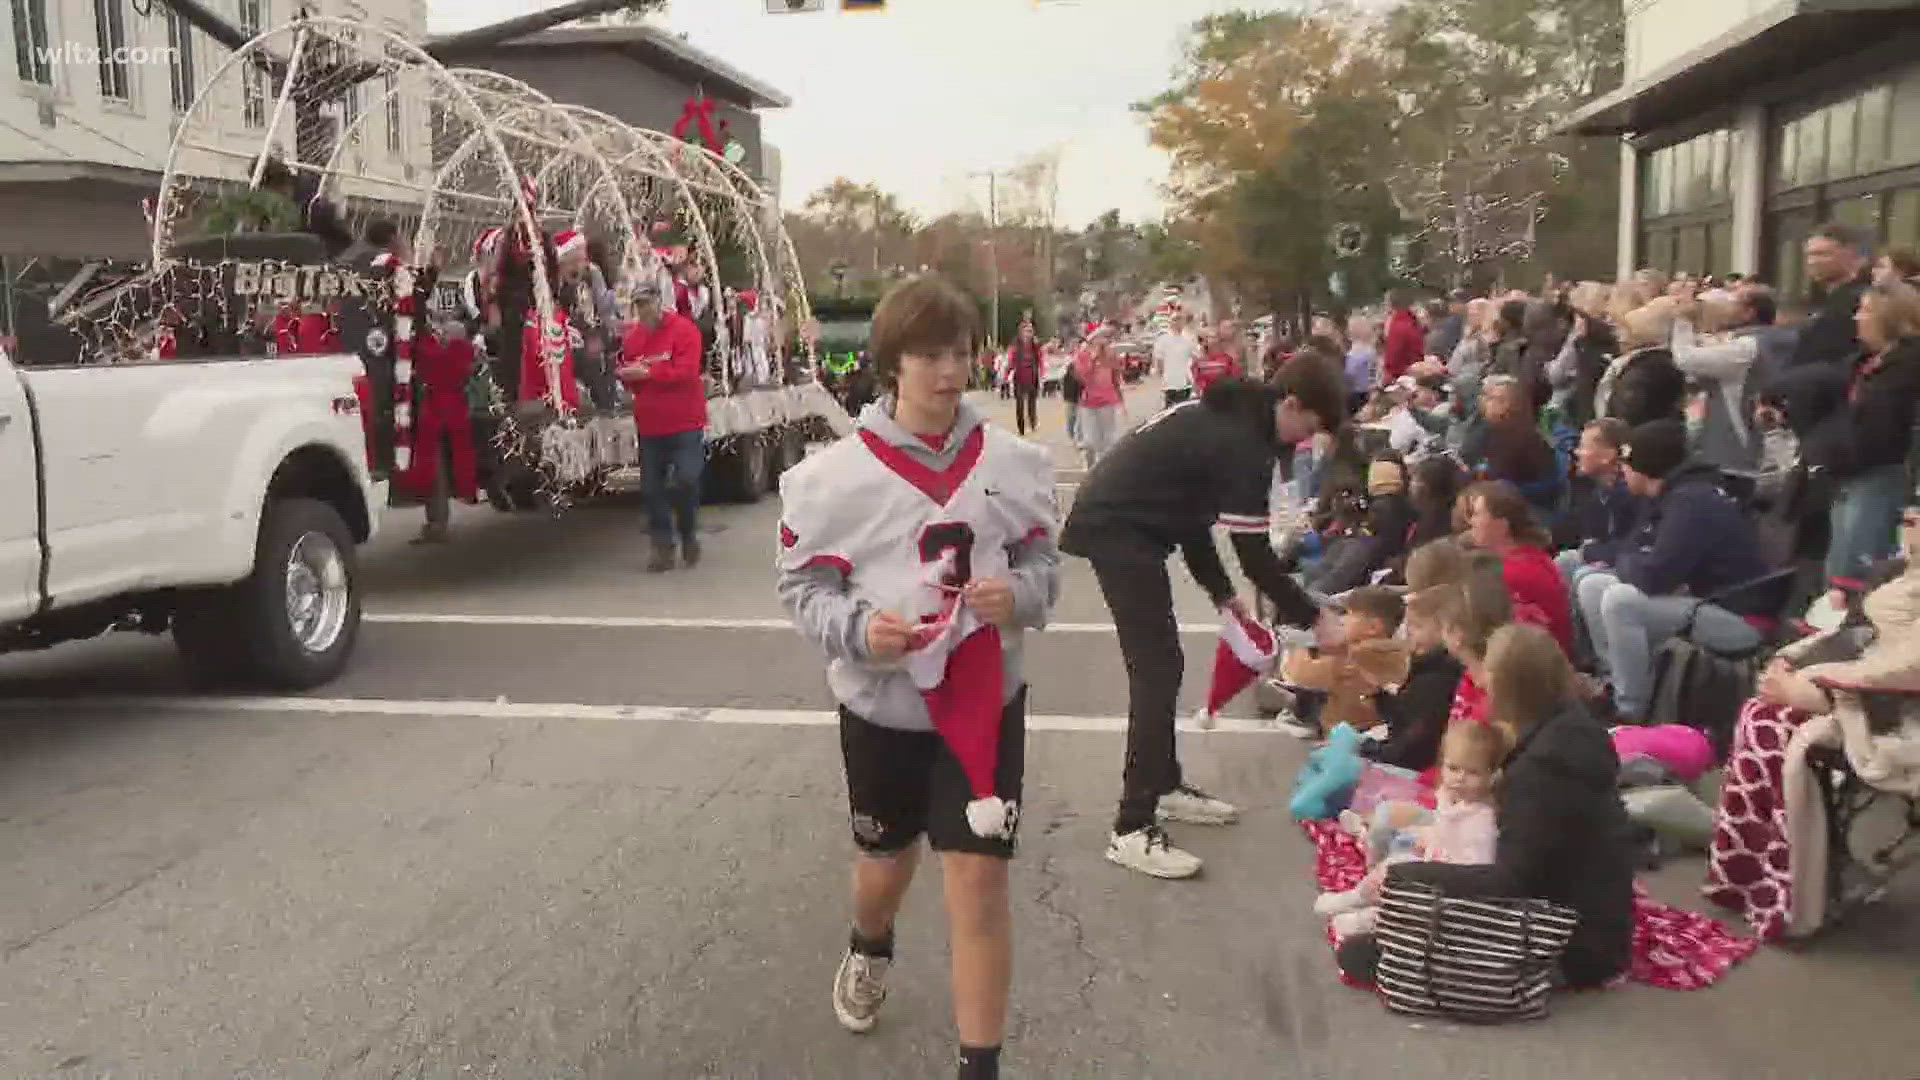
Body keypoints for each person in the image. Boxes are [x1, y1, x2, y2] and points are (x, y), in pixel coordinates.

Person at [775, 276, 1059, 1080]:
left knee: (978, 883)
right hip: (885, 708)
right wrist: (859, 631)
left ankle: (980, 1066)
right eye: (929, 354)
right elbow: (801, 585)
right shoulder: (835, 477)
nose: (947, 371)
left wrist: (1023, 595)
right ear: (891, 363)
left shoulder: (1012, 462)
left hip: (984, 701)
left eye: (960, 352)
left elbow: (1043, 559)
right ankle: (870, 943)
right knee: (886, 864)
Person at [1060, 358, 1346, 878]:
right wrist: (1317, 618)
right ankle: (1131, 825)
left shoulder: (1233, 421)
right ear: (1292, 403)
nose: (1304, 443)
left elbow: (1194, 518)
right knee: (1157, 670)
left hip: (1135, 523)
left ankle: (1163, 783)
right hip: (1116, 527)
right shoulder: (1243, 444)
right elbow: (1256, 557)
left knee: (1163, 666)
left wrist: (1221, 595)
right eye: (1308, 428)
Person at [1338, 623, 1635, 989]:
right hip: (1593, 921)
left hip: (1569, 943)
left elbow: (1510, 879)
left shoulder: (1545, 767)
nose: (1479, 683)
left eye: (1486, 674)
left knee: (1362, 953)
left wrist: (1411, 876)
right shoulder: (1569, 725)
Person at [1706, 506, 1920, 940]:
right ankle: (1755, 876)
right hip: (1860, 691)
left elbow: (1907, 670)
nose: (1908, 515)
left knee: (1775, 726)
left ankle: (1793, 887)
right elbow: (1852, 633)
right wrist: (1790, 659)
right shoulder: (1895, 573)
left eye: (1918, 514)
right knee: (1760, 714)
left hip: (1895, 710)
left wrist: (1813, 688)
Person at [1576, 420, 1770, 721]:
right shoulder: (1669, 495)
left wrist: (1630, 561)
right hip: (1703, 601)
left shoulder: (1690, 501)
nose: (1622, 470)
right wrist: (1634, 560)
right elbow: (1638, 552)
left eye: (1626, 463)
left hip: (1739, 615)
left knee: (1620, 600)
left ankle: (1630, 712)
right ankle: (1614, 681)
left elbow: (1654, 575)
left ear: (1646, 467)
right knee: (1593, 586)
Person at [1316, 721, 1505, 941]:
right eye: (1453, 768)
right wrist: (1428, 841)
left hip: (1450, 889)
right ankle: (1358, 896)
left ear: (1492, 776)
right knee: (1394, 863)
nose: (1460, 777)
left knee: (1406, 892)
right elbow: (1442, 830)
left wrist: (1435, 860)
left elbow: (1476, 874)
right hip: (1435, 862)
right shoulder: (1451, 798)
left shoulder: (1481, 821)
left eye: (1472, 772)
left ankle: (1373, 920)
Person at [1795, 281, 1920, 593]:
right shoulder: (1864, 363)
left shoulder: (1907, 368)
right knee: (1838, 566)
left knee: (1854, 573)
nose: (1856, 318)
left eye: (1865, 310)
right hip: (1849, 475)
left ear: (1889, 317)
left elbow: (1883, 429)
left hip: (1881, 476)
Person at [619, 281, 707, 572]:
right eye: (638, 305)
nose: (643, 310)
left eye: (647, 303)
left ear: (660, 302)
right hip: (650, 425)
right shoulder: (633, 338)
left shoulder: (684, 331)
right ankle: (662, 545)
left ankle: (688, 533)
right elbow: (629, 373)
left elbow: (686, 372)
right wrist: (628, 375)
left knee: (686, 480)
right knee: (651, 489)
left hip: (685, 423)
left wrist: (647, 372)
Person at [1277, 586, 1412, 739]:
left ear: (1373, 628)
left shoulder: (1357, 656)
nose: (1342, 620)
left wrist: (1301, 650)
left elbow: (1302, 675)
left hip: (1349, 734)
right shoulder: (1397, 654)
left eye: (1349, 614)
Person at [1458, 480, 1574, 656]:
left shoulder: (1512, 574)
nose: (1471, 522)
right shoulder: (1531, 556)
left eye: (1477, 514)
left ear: (1502, 525)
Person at [1360, 585, 1467, 773]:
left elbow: (1415, 746)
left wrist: (1373, 751)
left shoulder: (1438, 680)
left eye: (1417, 626)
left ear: (1446, 631)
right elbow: (1404, 714)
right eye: (1408, 625)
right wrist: (1378, 695)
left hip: (1411, 768)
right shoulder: (1424, 668)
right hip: (1395, 754)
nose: (1409, 632)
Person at [1555, 418, 1640, 591]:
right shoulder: (1597, 491)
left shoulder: (1631, 494)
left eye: (1584, 446)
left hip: (1631, 567)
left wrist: (1591, 551)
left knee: (1585, 576)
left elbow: (1629, 546)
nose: (1577, 452)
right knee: (1564, 560)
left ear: (1608, 456)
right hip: (1605, 557)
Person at [1791, 222, 1873, 369]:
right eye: (1809, 255)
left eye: (1822, 254)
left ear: (1850, 254)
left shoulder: (1861, 301)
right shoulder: (1831, 300)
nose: (1812, 262)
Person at [1470, 374, 1556, 505]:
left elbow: (1500, 480)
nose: (1485, 402)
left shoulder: (1519, 436)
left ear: (1507, 404)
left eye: (1491, 398)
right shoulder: (1494, 430)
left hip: (1523, 505)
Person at [1072, 330, 1126, 468]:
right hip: (1088, 403)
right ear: (1092, 339)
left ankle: (1103, 470)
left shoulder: (1110, 355)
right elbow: (1083, 377)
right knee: (1090, 442)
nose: (1103, 341)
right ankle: (1089, 466)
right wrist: (1093, 358)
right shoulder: (1082, 356)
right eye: (1100, 337)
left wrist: (1121, 401)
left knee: (1107, 441)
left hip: (1107, 402)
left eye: (1106, 338)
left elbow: (1116, 379)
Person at [1153, 309, 1200, 407]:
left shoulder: (1188, 340)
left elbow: (1197, 359)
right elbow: (1159, 362)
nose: (1177, 322)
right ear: (1170, 322)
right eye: (1175, 319)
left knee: (1183, 410)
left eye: (1180, 319)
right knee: (1170, 411)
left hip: (1185, 383)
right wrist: (1162, 377)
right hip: (1169, 383)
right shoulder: (1162, 340)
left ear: (1183, 322)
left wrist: (1194, 379)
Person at [1006, 319, 1043, 437]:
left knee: (1032, 402)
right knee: (1020, 403)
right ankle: (1021, 427)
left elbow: (1040, 359)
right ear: (1021, 332)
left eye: (1031, 331)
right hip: (1019, 376)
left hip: (1032, 375)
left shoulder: (1035, 345)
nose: (1029, 333)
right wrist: (1007, 373)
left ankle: (1033, 422)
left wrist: (1042, 372)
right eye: (1026, 331)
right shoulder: (1016, 344)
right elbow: (1011, 359)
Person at [1381, 290, 1423, 386]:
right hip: (1414, 374)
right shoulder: (1411, 322)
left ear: (1390, 304)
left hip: (1401, 380)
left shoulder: (1398, 327)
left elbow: (1392, 361)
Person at [1194, 320, 1244, 397]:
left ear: (1219, 339)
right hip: (1208, 398)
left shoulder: (1227, 359)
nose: (1212, 340)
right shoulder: (1199, 362)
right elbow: (1198, 381)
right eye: (1209, 337)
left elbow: (1236, 377)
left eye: (1214, 337)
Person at [1344, 315, 1380, 410]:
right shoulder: (1370, 351)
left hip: (1358, 394)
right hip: (1367, 392)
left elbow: (1350, 373)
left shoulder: (1357, 353)